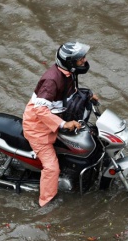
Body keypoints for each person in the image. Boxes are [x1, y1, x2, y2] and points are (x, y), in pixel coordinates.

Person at [22, 41, 98, 207]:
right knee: (51, 168)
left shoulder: (68, 75)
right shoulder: (52, 80)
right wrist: (63, 124)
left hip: (53, 120)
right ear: (70, 62)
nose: (84, 61)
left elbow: (71, 95)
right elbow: (40, 110)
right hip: (38, 128)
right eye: (80, 59)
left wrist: (89, 96)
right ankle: (45, 203)